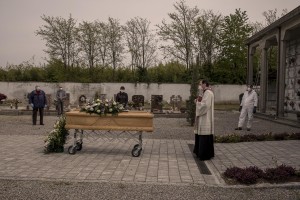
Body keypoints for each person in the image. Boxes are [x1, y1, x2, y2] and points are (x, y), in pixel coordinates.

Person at [193, 80, 215, 161]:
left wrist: (197, 103)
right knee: (201, 135)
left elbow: (205, 105)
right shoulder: (205, 92)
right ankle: (200, 152)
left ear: (205, 84)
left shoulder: (208, 93)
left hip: (205, 117)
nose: (199, 86)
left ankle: (204, 154)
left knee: (204, 135)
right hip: (203, 117)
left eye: (200, 84)